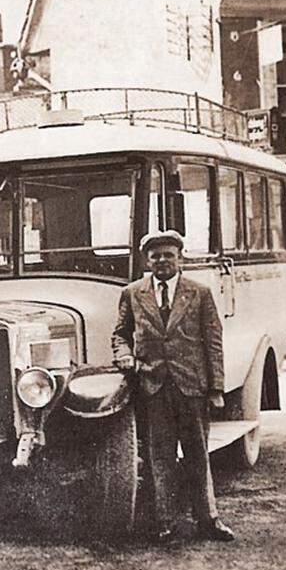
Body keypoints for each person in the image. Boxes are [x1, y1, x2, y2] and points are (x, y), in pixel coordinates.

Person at [112, 229, 236, 543]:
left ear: (180, 258)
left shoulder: (200, 292)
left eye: (169, 255)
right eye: (156, 256)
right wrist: (125, 356)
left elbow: (213, 342)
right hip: (152, 387)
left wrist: (216, 388)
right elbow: (120, 335)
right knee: (159, 457)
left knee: (198, 455)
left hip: (191, 387)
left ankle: (209, 520)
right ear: (147, 260)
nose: (162, 261)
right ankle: (164, 523)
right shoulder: (132, 293)